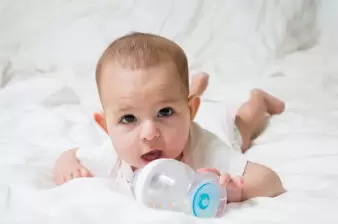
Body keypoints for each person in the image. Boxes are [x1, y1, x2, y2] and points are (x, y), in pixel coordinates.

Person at [53, 32, 285, 202]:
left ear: (191, 111)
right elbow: (70, 155)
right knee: (168, 94)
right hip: (186, 104)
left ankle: (259, 99)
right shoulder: (112, 153)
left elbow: (270, 180)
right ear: (106, 126)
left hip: (222, 126)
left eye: (164, 112)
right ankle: (194, 87)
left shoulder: (208, 150)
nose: (149, 134)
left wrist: (237, 190)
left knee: (244, 124)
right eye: (129, 118)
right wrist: (69, 169)